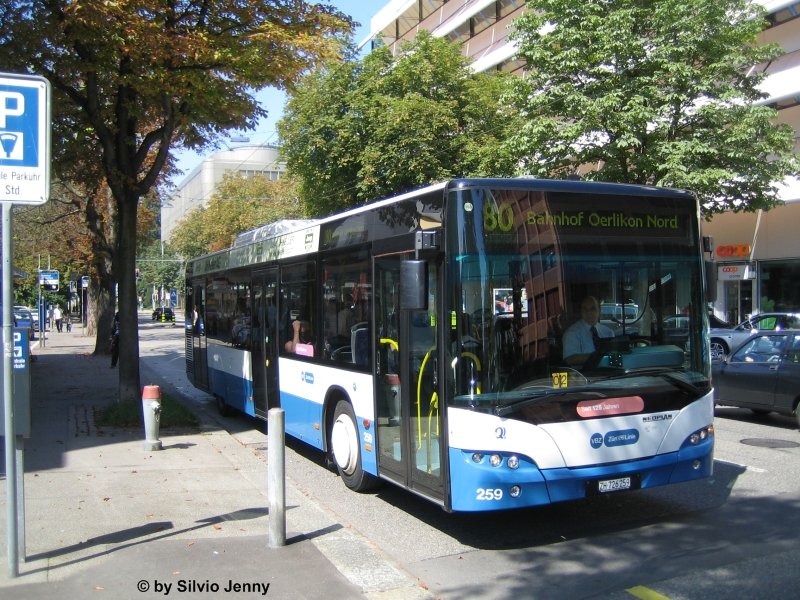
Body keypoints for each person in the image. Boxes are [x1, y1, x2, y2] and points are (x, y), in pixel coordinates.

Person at [562, 296, 614, 366]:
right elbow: (569, 359)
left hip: (609, 371)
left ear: (599, 311)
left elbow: (614, 355)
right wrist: (597, 356)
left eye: (593, 308)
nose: (589, 312)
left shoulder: (608, 332)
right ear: (581, 312)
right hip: (583, 372)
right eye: (585, 309)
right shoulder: (571, 333)